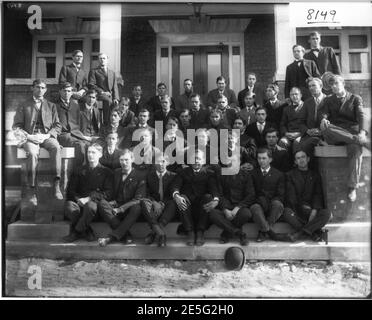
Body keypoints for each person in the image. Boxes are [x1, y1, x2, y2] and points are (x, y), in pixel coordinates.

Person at [12, 79, 63, 203]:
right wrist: (29, 137)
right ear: (32, 88)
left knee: (56, 147)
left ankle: (56, 185)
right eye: (38, 87)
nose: (40, 90)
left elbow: (57, 126)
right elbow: (16, 127)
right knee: (33, 153)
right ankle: (32, 189)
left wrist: (46, 136)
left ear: (45, 90)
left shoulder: (51, 106)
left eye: (43, 88)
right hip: (30, 137)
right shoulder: (23, 105)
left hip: (46, 137)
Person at [320, 75, 369, 202]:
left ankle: (352, 187)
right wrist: (324, 118)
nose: (334, 87)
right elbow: (323, 113)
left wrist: (363, 131)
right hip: (335, 133)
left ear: (343, 83)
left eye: (336, 84)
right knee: (327, 127)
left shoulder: (354, 98)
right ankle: (360, 140)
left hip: (350, 132)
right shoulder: (328, 100)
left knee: (355, 149)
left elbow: (361, 115)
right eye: (332, 85)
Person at [63, 143, 113, 242]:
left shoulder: (107, 172)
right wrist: (78, 199)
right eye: (89, 152)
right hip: (79, 205)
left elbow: (108, 193)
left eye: (93, 152)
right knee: (68, 206)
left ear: (100, 154)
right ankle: (87, 230)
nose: (90, 155)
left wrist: (89, 199)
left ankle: (76, 232)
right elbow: (71, 191)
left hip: (95, 207)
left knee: (90, 206)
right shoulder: (79, 170)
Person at [171, 149, 219, 246]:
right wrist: (176, 196)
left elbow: (214, 189)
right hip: (187, 207)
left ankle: (200, 232)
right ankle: (190, 232)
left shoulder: (209, 173)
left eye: (199, 159)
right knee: (181, 198)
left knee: (208, 197)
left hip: (201, 207)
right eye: (194, 158)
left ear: (204, 161)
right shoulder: (182, 172)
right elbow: (175, 186)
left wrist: (216, 200)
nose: (196, 161)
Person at [98, 149, 146, 246]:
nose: (124, 163)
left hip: (129, 209)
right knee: (102, 204)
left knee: (137, 207)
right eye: (121, 160)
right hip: (116, 206)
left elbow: (138, 198)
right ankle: (126, 235)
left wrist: (121, 209)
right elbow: (111, 191)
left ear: (132, 160)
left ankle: (111, 237)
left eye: (126, 160)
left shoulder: (140, 175)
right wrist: (112, 202)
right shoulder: (116, 172)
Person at [282, 150, 331, 242]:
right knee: (286, 212)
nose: (301, 160)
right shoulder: (289, 175)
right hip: (297, 210)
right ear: (295, 162)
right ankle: (313, 232)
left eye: (303, 157)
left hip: (312, 210)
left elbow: (318, 194)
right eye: (298, 158)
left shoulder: (315, 175)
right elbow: (291, 196)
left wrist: (314, 210)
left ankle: (300, 233)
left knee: (327, 213)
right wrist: (305, 209)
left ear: (308, 159)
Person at [209, 155, 252, 246]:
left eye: (234, 161)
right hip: (225, 206)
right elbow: (219, 194)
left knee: (246, 214)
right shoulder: (220, 175)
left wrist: (237, 208)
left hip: (240, 207)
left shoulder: (246, 175)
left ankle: (227, 233)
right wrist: (225, 210)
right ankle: (239, 233)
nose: (231, 164)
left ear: (239, 162)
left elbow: (250, 195)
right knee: (212, 214)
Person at [140, 153, 177, 247]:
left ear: (167, 163)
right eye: (158, 161)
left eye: (163, 161)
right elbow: (145, 193)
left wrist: (162, 204)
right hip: (153, 204)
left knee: (173, 203)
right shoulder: (148, 176)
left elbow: (173, 193)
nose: (161, 164)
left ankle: (154, 233)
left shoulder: (173, 176)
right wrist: (154, 202)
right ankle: (161, 234)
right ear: (154, 163)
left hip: (167, 204)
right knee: (143, 202)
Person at [249, 148, 285, 242]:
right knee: (254, 207)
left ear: (270, 159)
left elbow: (281, 194)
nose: (261, 161)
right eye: (259, 158)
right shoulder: (252, 174)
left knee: (278, 204)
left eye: (264, 158)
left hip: (272, 204)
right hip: (259, 204)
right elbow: (251, 193)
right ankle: (269, 232)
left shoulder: (279, 174)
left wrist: (270, 201)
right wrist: (260, 201)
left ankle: (263, 231)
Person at [56, 82, 86, 166]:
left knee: (88, 145)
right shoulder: (54, 105)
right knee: (79, 145)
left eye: (69, 91)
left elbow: (78, 122)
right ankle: (78, 171)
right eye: (64, 91)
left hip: (75, 133)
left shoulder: (75, 105)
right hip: (63, 134)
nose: (67, 93)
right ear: (60, 92)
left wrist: (81, 134)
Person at [88, 53, 119, 126]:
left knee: (116, 104)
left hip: (110, 96)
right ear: (98, 60)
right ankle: (106, 123)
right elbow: (91, 84)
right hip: (98, 94)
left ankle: (113, 124)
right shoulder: (94, 71)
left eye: (104, 58)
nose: (102, 60)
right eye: (100, 58)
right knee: (107, 100)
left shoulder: (112, 73)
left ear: (107, 60)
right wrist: (102, 92)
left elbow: (115, 86)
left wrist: (116, 98)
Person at [299, 77, 327, 157]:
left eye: (313, 85)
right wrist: (307, 131)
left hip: (324, 135)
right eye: (309, 86)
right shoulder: (307, 102)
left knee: (307, 145)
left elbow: (333, 120)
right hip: (309, 135)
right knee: (300, 147)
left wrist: (321, 131)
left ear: (321, 86)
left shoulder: (329, 100)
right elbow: (301, 122)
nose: (311, 88)